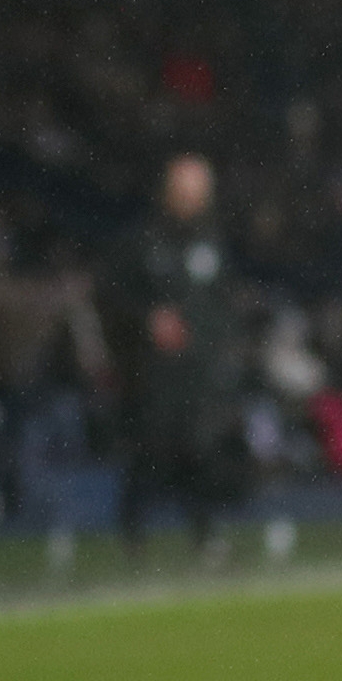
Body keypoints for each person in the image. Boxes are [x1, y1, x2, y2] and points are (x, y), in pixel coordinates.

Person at [112, 152, 246, 561]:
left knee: (202, 451)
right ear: (168, 190)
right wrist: (147, 320)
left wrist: (225, 347)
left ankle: (203, 533)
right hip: (154, 371)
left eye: (199, 190)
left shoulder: (214, 241)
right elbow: (113, 296)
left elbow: (225, 300)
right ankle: (132, 534)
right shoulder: (141, 240)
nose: (192, 198)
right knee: (149, 449)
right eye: (184, 189)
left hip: (201, 370)